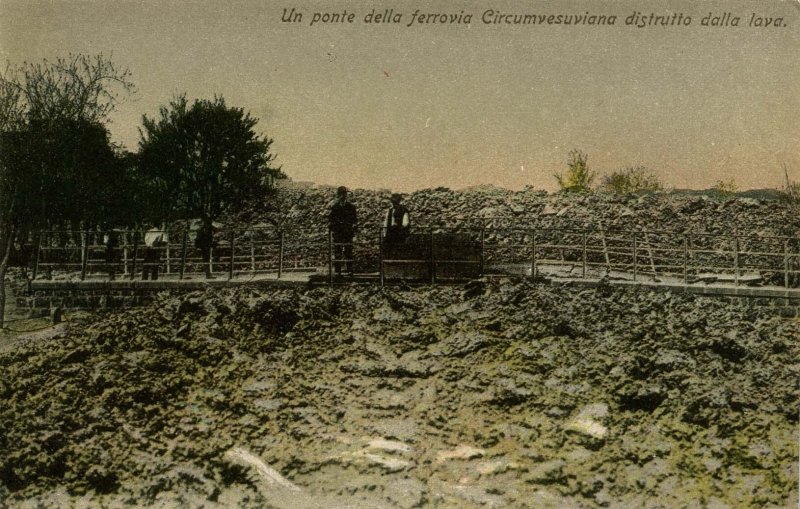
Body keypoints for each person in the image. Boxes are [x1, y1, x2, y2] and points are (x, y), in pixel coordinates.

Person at [329, 186, 358, 275]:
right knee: (338, 250)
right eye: (341, 194)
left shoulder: (351, 207)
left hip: (347, 232)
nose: (343, 196)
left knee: (348, 250)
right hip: (338, 232)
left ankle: (349, 269)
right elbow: (331, 220)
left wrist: (353, 232)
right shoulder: (335, 207)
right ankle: (338, 271)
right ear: (338, 195)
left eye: (344, 194)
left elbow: (355, 220)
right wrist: (334, 229)